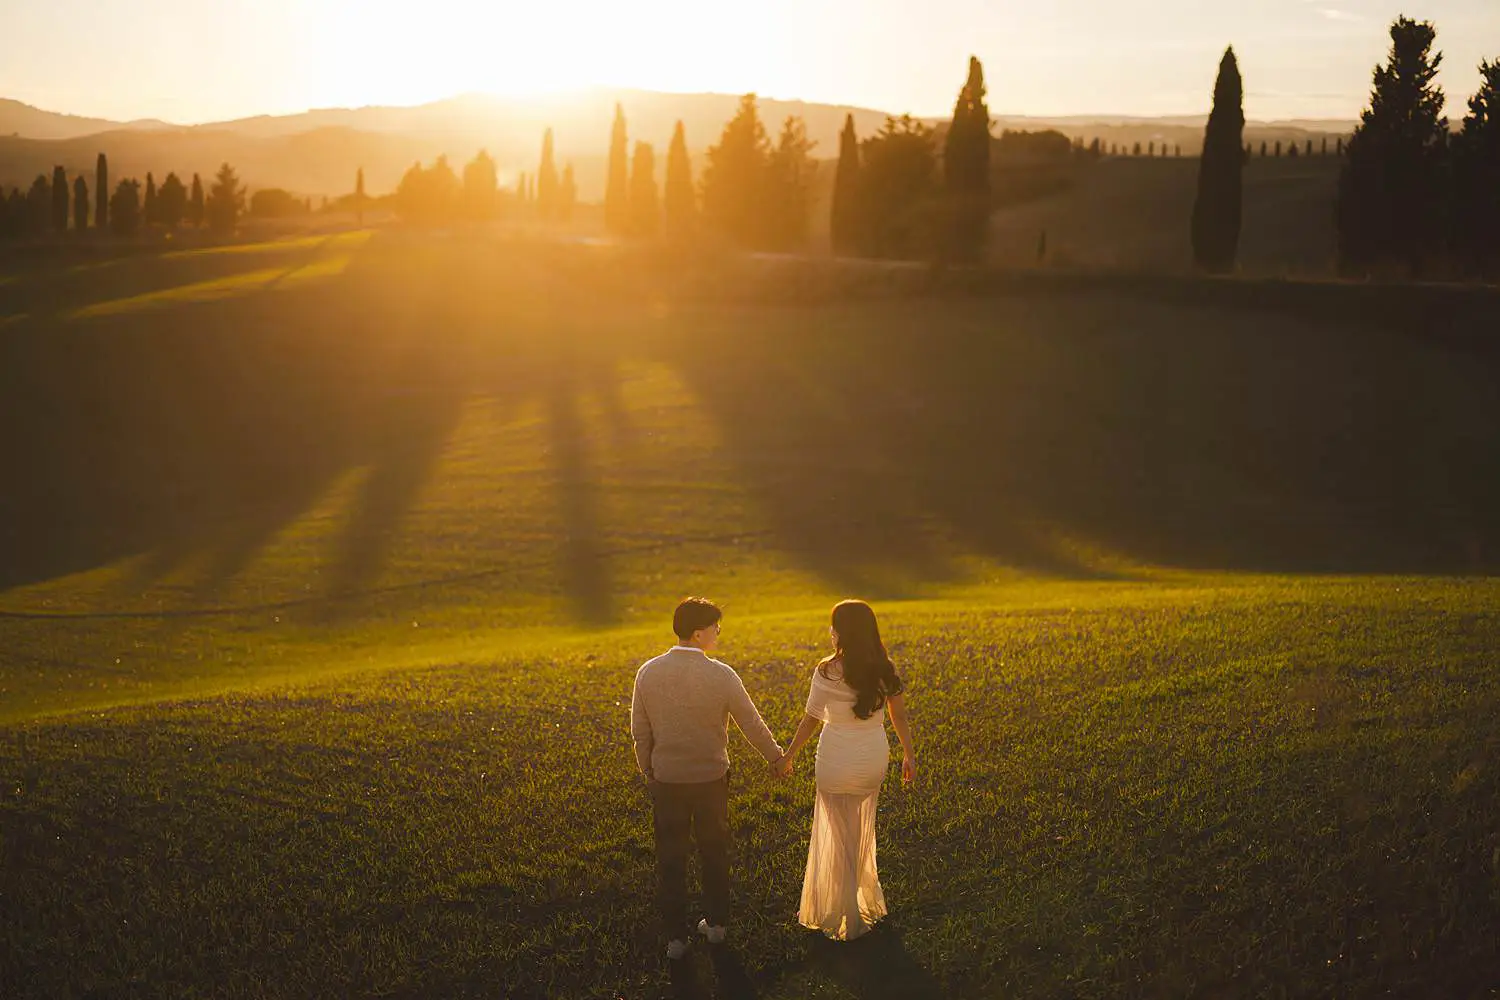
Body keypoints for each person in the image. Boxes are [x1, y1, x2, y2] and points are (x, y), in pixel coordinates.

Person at [630, 597, 785, 960]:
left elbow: (640, 731)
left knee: (671, 857)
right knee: (714, 851)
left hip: (668, 780)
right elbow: (751, 722)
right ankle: (716, 927)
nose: (719, 632)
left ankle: (676, 940)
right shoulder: (721, 674)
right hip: (711, 780)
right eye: (716, 627)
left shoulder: (648, 672)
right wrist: (775, 757)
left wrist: (648, 769)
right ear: (699, 633)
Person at [775, 599, 915, 941]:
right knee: (859, 830)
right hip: (871, 759)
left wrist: (788, 755)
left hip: (836, 761)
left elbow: (810, 719)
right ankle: (857, 901)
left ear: (840, 631)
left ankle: (844, 911)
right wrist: (908, 755)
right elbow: (899, 716)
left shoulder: (825, 670)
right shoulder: (884, 667)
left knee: (839, 836)